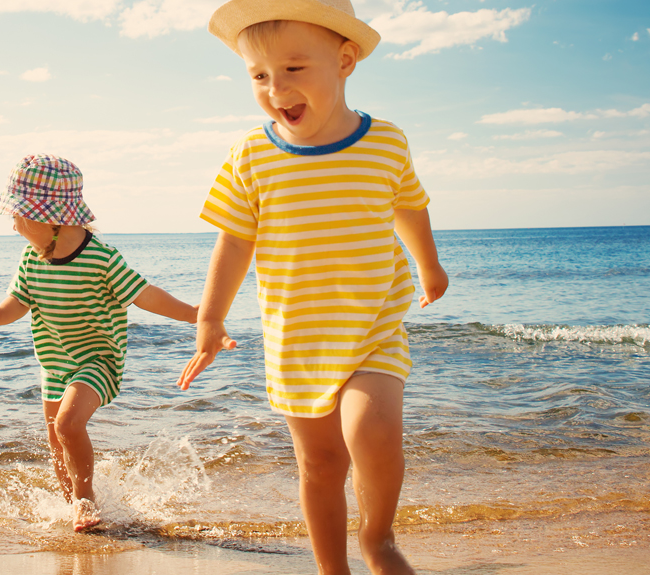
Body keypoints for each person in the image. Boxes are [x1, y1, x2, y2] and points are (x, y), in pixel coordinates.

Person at [176, 1, 450, 573]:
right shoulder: (252, 155)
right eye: (259, 75)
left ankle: (378, 538)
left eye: (294, 69)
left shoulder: (386, 143)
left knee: (373, 432)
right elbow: (234, 241)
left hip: (374, 328)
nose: (276, 88)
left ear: (345, 60)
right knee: (321, 464)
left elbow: (409, 206)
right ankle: (332, 568)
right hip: (297, 340)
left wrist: (429, 266)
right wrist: (210, 317)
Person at [0, 153, 226, 532]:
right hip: (54, 364)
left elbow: (144, 294)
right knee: (57, 440)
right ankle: (75, 509)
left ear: (48, 217)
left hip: (98, 361)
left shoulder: (101, 258)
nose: (15, 226)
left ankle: (86, 501)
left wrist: (193, 314)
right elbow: (16, 303)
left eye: (17, 216)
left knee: (68, 425)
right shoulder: (31, 259)